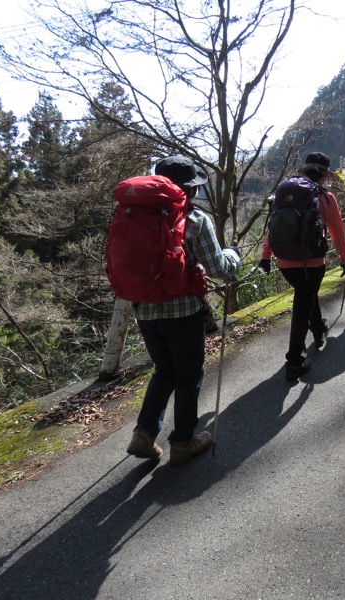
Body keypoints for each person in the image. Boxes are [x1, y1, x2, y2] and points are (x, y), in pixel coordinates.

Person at [126, 155, 241, 465]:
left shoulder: (134, 216)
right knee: (189, 377)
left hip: (144, 310)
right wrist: (233, 255)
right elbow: (219, 268)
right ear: (189, 189)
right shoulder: (194, 219)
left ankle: (144, 434)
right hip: (183, 312)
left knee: (164, 371)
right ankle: (183, 442)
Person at [259, 152, 345, 381]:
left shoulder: (284, 192)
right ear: (323, 175)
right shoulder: (324, 197)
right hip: (312, 262)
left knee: (306, 295)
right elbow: (337, 231)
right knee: (302, 305)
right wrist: (344, 258)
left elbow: (274, 226)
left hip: (284, 261)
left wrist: (266, 256)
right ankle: (294, 361)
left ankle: (319, 330)